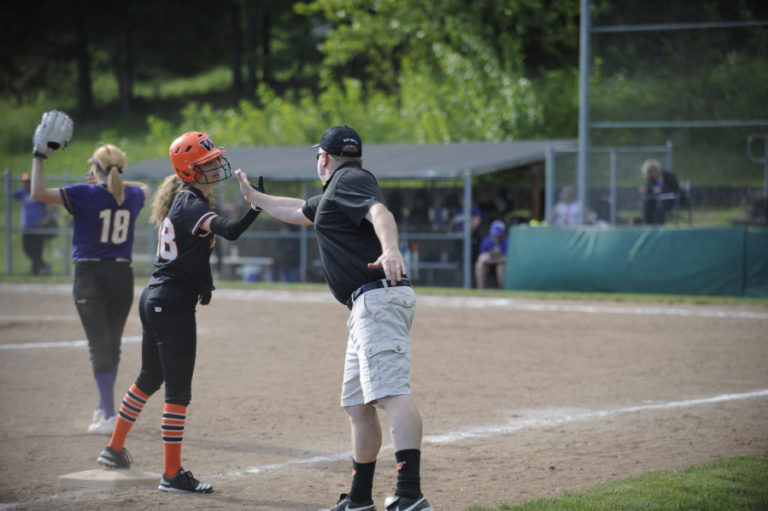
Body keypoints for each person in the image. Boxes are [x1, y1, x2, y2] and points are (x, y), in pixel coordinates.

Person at [236, 125, 433, 511]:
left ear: (323, 159)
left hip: (377, 299)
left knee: (392, 393)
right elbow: (295, 210)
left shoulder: (351, 180)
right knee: (358, 406)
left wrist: (390, 249)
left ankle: (410, 494)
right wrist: (255, 198)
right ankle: (360, 499)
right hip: (366, 305)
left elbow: (380, 212)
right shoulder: (336, 194)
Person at [96, 131, 263, 494]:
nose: (215, 166)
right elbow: (231, 231)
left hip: (157, 297)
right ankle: (171, 474)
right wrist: (256, 204)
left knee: (149, 378)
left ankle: (114, 447)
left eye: (213, 160)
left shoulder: (185, 200)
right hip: (170, 303)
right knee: (177, 390)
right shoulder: (189, 204)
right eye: (206, 163)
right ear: (188, 171)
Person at [30, 131, 151, 436]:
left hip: (89, 276)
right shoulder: (132, 195)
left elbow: (38, 192)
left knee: (99, 346)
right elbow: (146, 187)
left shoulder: (85, 193)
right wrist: (112, 182)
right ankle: (104, 408)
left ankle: (109, 414)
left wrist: (38, 157)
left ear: (96, 169)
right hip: (122, 276)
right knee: (112, 345)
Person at [13, 172, 54, 275]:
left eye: (28, 182)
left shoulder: (38, 193)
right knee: (26, 248)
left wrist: (46, 218)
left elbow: (52, 205)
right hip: (27, 226)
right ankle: (44, 266)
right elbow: (10, 191)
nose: (26, 184)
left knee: (37, 250)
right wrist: (6, 179)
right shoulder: (22, 193)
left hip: (39, 227)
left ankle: (35, 272)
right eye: (25, 182)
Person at [638, 159, 681, 225]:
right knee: (647, 202)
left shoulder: (669, 176)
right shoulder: (651, 179)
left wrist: (662, 188)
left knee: (661, 205)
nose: (652, 175)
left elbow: (675, 189)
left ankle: (658, 225)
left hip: (669, 200)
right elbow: (651, 189)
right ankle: (647, 224)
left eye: (652, 172)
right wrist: (647, 190)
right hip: (655, 200)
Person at [474, 220, 508, 289]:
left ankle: (503, 290)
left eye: (497, 235)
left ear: (502, 233)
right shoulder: (486, 241)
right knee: (479, 265)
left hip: (500, 264)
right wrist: (494, 258)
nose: (495, 236)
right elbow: (481, 258)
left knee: (501, 267)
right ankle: (480, 290)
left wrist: (492, 258)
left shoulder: (507, 241)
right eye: (494, 234)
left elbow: (507, 259)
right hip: (488, 265)